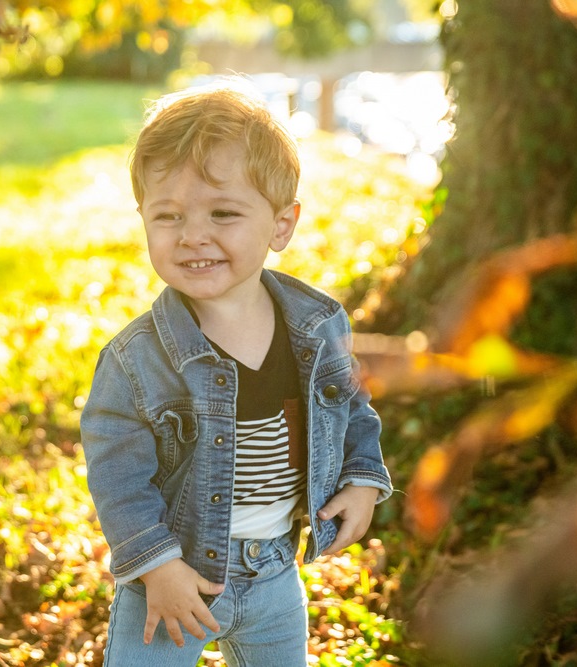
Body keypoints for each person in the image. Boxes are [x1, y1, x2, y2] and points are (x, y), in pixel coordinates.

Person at [80, 82, 393, 667]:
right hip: (174, 576)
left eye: (223, 213)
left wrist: (362, 479)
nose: (192, 235)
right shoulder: (136, 360)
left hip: (274, 573)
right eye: (168, 215)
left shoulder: (318, 325)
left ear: (281, 225)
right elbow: (117, 475)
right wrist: (156, 565)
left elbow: (351, 409)